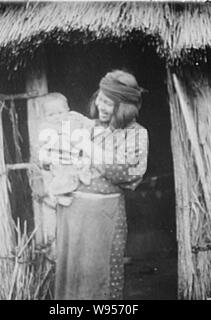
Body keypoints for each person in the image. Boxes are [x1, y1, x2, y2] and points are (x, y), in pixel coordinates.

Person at [54, 70, 149, 300]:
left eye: (110, 104)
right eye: (101, 100)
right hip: (72, 214)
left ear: (125, 107)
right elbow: (58, 158)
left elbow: (124, 171)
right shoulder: (87, 126)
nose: (102, 107)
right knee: (73, 278)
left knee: (101, 278)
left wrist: (87, 146)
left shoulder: (136, 134)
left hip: (104, 217)